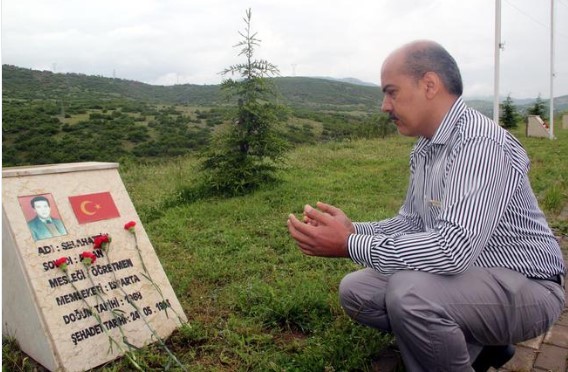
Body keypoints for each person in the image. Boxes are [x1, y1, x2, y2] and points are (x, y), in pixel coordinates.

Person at [287, 40, 565, 371]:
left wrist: (348, 244)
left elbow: (452, 249)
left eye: (391, 92)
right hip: (474, 274)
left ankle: (471, 345)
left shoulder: (479, 143)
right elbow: (412, 221)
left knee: (410, 295)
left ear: (429, 85)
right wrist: (352, 230)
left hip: (530, 287)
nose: (384, 106)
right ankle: (485, 345)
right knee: (356, 291)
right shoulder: (427, 147)